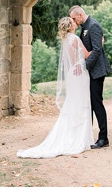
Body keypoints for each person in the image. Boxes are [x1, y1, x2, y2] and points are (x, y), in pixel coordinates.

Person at [17, 17, 94, 158]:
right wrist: (100, 44)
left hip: (72, 74)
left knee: (73, 103)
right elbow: (87, 55)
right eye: (73, 22)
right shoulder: (75, 39)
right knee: (81, 103)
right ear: (70, 26)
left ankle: (75, 135)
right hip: (80, 73)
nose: (76, 23)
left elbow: (72, 61)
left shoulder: (66, 40)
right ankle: (80, 139)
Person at [69, 5, 112, 149]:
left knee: (96, 103)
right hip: (89, 72)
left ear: (80, 14)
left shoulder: (93, 26)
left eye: (74, 18)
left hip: (97, 71)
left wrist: (84, 66)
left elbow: (97, 50)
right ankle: (87, 135)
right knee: (90, 103)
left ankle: (103, 138)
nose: (74, 21)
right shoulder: (85, 27)